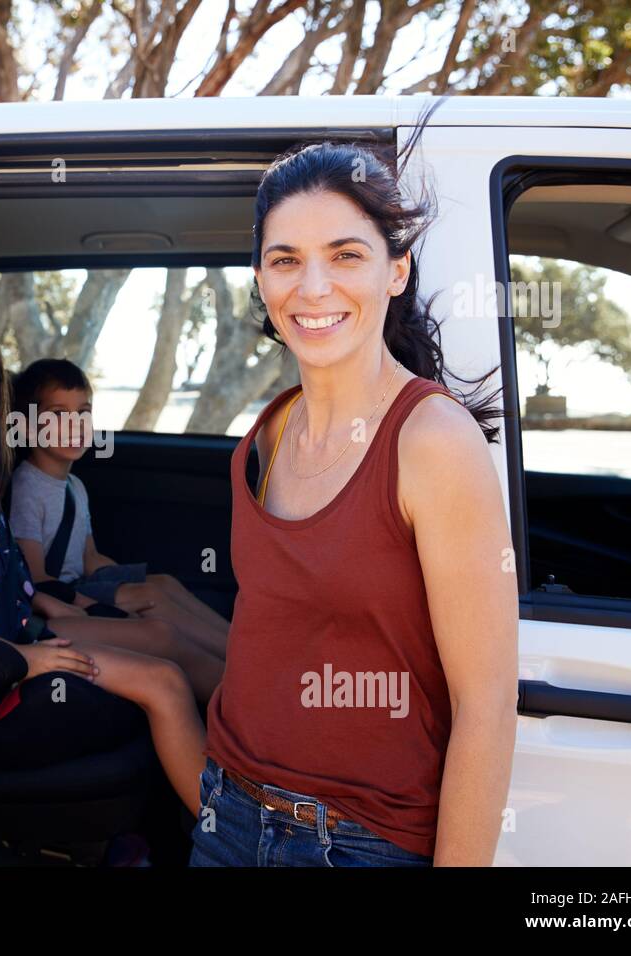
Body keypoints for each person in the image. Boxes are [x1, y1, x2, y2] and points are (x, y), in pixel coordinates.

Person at [192, 108, 519, 867]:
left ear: (395, 270)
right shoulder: (269, 432)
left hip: (356, 845)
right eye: (285, 260)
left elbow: (487, 706)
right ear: (261, 277)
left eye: (345, 255)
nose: (313, 287)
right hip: (226, 813)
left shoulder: (431, 441)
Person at [0, 310, 207, 811]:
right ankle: (228, 836)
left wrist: (46, 601)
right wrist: (19, 657)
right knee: (165, 681)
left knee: (166, 660)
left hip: (19, 629)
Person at [10, 357, 230, 659]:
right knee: (151, 597)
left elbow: (89, 557)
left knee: (163, 583)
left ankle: (241, 643)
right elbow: (35, 577)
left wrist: (124, 581)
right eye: (58, 415)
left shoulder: (75, 486)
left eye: (83, 413)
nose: (75, 424)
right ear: (27, 427)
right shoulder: (27, 487)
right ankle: (242, 661)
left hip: (81, 582)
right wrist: (105, 600)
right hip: (59, 595)